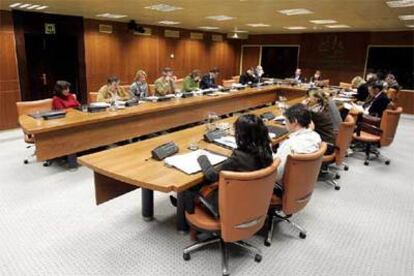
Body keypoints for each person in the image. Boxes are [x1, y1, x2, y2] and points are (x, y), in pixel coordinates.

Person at [183, 114, 273, 216]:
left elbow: (212, 175)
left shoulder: (239, 157)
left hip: (231, 203)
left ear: (241, 135)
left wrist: (201, 157)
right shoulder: (266, 149)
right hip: (255, 197)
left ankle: (183, 218)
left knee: (190, 186)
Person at [273, 104, 321, 185]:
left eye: (286, 121)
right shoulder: (316, 137)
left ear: (295, 122)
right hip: (303, 183)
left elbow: (276, 175)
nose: (285, 123)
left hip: (284, 186)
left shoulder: (290, 145)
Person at [302, 90, 336, 155]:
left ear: (317, 99)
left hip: (325, 146)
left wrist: (303, 106)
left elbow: (300, 118)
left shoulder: (315, 113)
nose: (307, 98)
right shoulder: (321, 107)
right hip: (329, 142)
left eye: (309, 96)